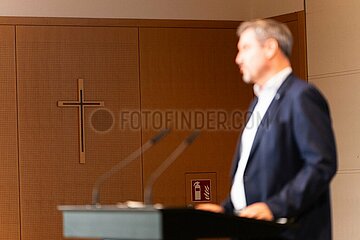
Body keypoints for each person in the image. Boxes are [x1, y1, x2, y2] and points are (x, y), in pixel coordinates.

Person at [196, 19, 337, 240]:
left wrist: (275, 207)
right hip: (251, 230)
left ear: (270, 48)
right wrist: (227, 210)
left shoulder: (300, 97)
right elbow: (256, 173)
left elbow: (320, 164)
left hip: (288, 231)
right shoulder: (258, 103)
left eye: (245, 48)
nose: (238, 58)